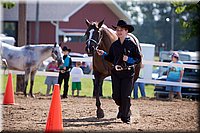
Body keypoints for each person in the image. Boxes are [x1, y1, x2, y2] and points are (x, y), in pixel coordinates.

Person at [97, 20, 141, 124]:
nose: (119, 31)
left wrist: (129, 60)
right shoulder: (114, 45)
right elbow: (111, 58)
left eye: (121, 30)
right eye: (117, 30)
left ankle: (125, 117)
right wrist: (103, 54)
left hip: (128, 73)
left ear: (126, 31)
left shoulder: (131, 44)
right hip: (116, 73)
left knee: (125, 96)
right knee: (116, 96)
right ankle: (125, 107)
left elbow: (138, 58)